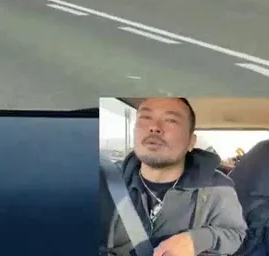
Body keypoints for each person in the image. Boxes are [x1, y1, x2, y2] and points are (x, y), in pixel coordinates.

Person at [103, 97, 248, 256]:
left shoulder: (217, 187)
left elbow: (236, 235)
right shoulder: (105, 182)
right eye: (145, 117)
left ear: (190, 142)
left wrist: (198, 241)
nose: (154, 127)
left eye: (170, 120)